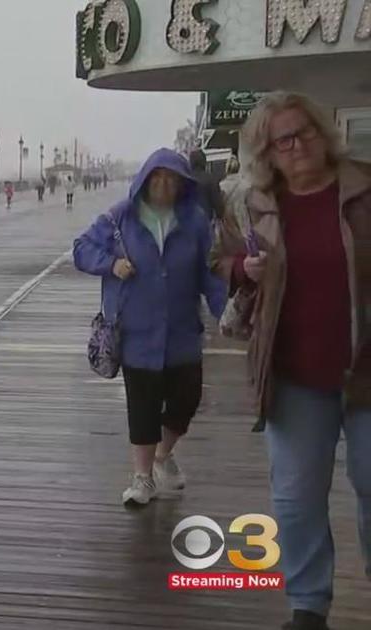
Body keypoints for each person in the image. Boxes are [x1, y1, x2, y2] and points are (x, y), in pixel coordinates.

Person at [211, 92, 370, 630]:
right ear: (268, 153)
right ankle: (308, 604)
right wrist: (241, 269)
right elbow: (219, 258)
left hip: (369, 369)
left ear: (323, 132)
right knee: (297, 497)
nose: (299, 144)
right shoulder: (251, 204)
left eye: (305, 131)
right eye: (285, 139)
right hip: (295, 372)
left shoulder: (364, 188)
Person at [73, 148, 227, 508]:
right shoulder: (118, 219)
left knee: (186, 401)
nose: (163, 185)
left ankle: (163, 455)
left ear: (182, 184)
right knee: (141, 406)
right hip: (136, 332)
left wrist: (225, 312)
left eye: (171, 179)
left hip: (182, 332)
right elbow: (81, 250)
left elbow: (210, 272)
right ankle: (142, 477)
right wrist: (110, 264)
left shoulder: (195, 222)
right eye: (156, 178)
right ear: (143, 181)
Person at [189, 148, 227, 223]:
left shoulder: (184, 179)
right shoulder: (210, 179)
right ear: (204, 162)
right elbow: (219, 208)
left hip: (187, 224)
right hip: (206, 223)